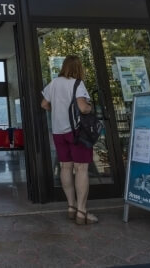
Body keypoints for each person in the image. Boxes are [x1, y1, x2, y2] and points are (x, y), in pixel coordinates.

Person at [41, 55, 97, 225]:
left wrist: (56, 111)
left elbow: (44, 104)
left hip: (58, 132)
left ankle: (71, 207)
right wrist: (90, 107)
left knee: (66, 166)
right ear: (78, 68)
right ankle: (81, 211)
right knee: (81, 169)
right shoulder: (77, 84)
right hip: (76, 132)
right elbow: (82, 107)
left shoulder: (54, 83)